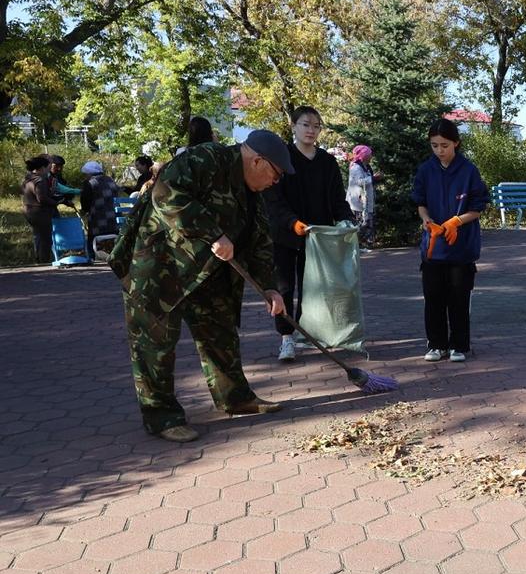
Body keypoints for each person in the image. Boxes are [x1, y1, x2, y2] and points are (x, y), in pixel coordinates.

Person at [107, 130, 292, 443]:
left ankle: (235, 398)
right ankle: (161, 416)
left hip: (208, 274)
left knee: (221, 331)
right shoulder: (206, 158)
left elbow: (260, 241)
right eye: (276, 174)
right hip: (160, 266)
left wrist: (270, 288)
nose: (277, 181)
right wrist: (212, 234)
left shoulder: (253, 193)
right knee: (155, 343)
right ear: (257, 160)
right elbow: (165, 193)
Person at [264, 105, 354, 363]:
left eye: (316, 126)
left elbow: (337, 198)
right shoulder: (283, 158)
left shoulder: (326, 162)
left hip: (317, 238)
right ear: (293, 126)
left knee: (312, 288)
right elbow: (273, 200)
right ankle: (286, 338)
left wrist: (345, 219)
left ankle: (304, 333)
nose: (311, 130)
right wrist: (292, 223)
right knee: (284, 287)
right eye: (306, 124)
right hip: (285, 235)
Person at [412, 118, 491, 363]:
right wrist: (427, 220)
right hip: (433, 247)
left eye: (444, 145)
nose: (439, 151)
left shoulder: (468, 171)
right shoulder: (426, 170)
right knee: (433, 296)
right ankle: (436, 344)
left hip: (461, 248)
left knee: (458, 296)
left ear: (456, 142)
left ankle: (459, 345)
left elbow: (478, 207)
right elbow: (420, 202)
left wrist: (456, 221)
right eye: (434, 145)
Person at [21, 156, 60, 263]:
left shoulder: (28, 178)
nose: (49, 169)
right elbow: (42, 198)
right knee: (45, 238)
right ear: (42, 168)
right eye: (48, 167)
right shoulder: (40, 180)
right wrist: (56, 202)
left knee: (38, 236)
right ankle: (44, 261)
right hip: (39, 212)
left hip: (28, 210)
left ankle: (39, 258)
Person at [78, 161, 120, 258]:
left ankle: (91, 256)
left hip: (98, 221)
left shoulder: (90, 183)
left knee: (91, 238)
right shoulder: (110, 180)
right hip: (114, 219)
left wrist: (84, 211)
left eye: (85, 174)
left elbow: (85, 201)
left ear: (89, 173)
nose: (85, 176)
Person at [347, 145, 378, 249]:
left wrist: (374, 178)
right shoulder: (355, 167)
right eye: (369, 155)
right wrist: (373, 178)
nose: (371, 157)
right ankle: (357, 245)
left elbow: (368, 181)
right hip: (358, 200)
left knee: (368, 222)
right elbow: (359, 182)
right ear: (364, 155)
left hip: (366, 200)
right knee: (360, 223)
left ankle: (366, 244)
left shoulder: (366, 167)